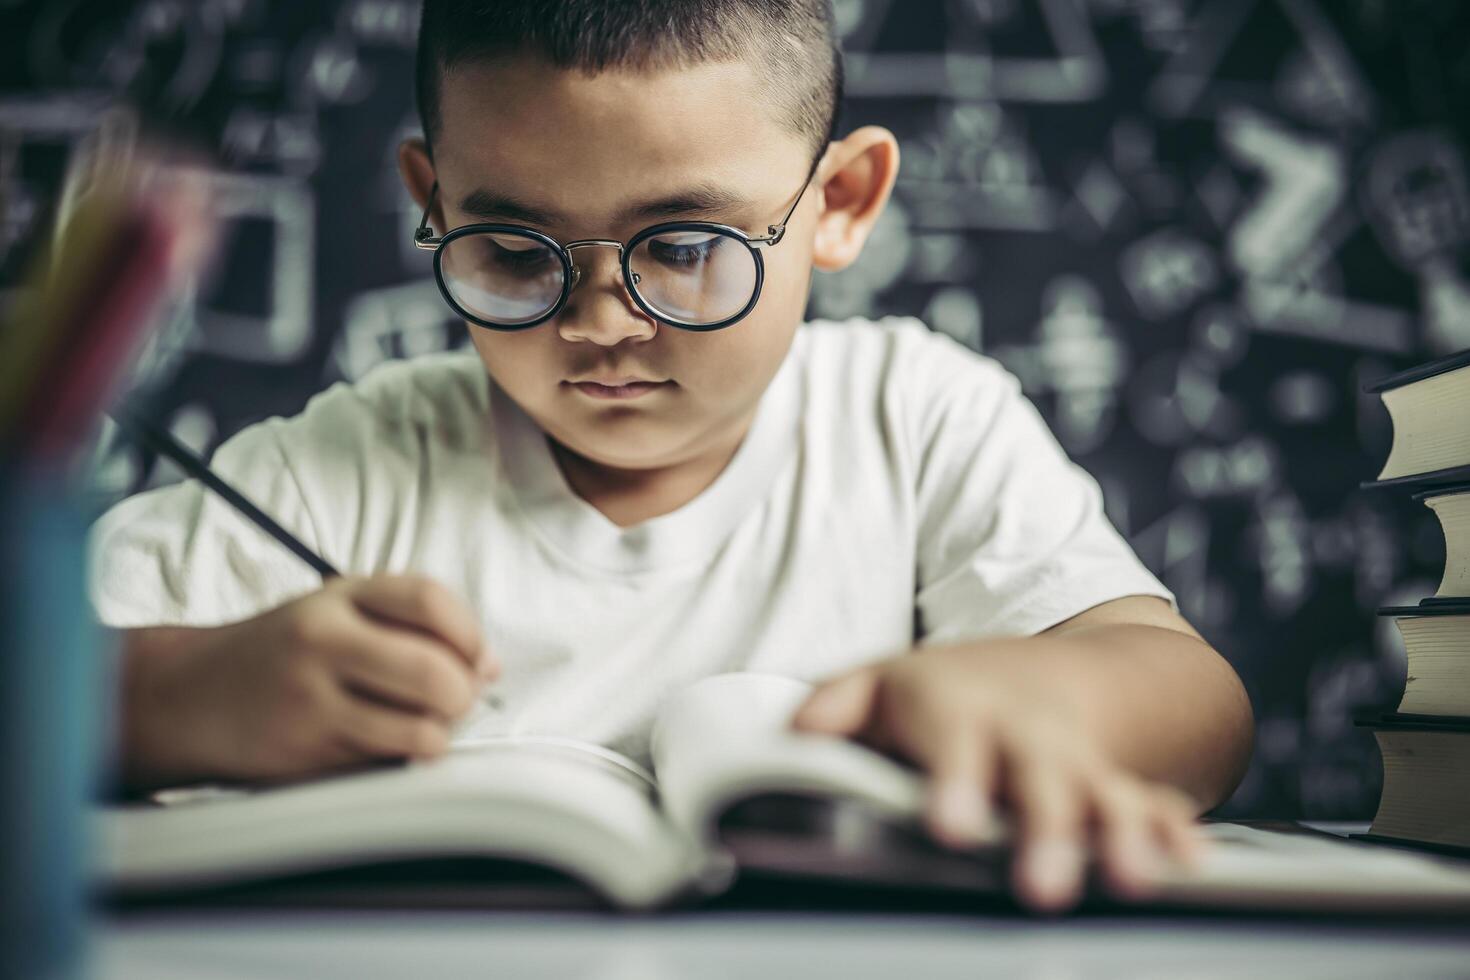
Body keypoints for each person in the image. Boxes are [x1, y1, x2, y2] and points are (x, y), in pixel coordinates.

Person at [90, 0, 1253, 912]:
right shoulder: (337, 471)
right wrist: (170, 699)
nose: (600, 321)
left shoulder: (917, 418)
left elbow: (1199, 703)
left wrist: (1046, 695)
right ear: (431, 205)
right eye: (514, 248)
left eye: (686, 244)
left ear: (842, 202)